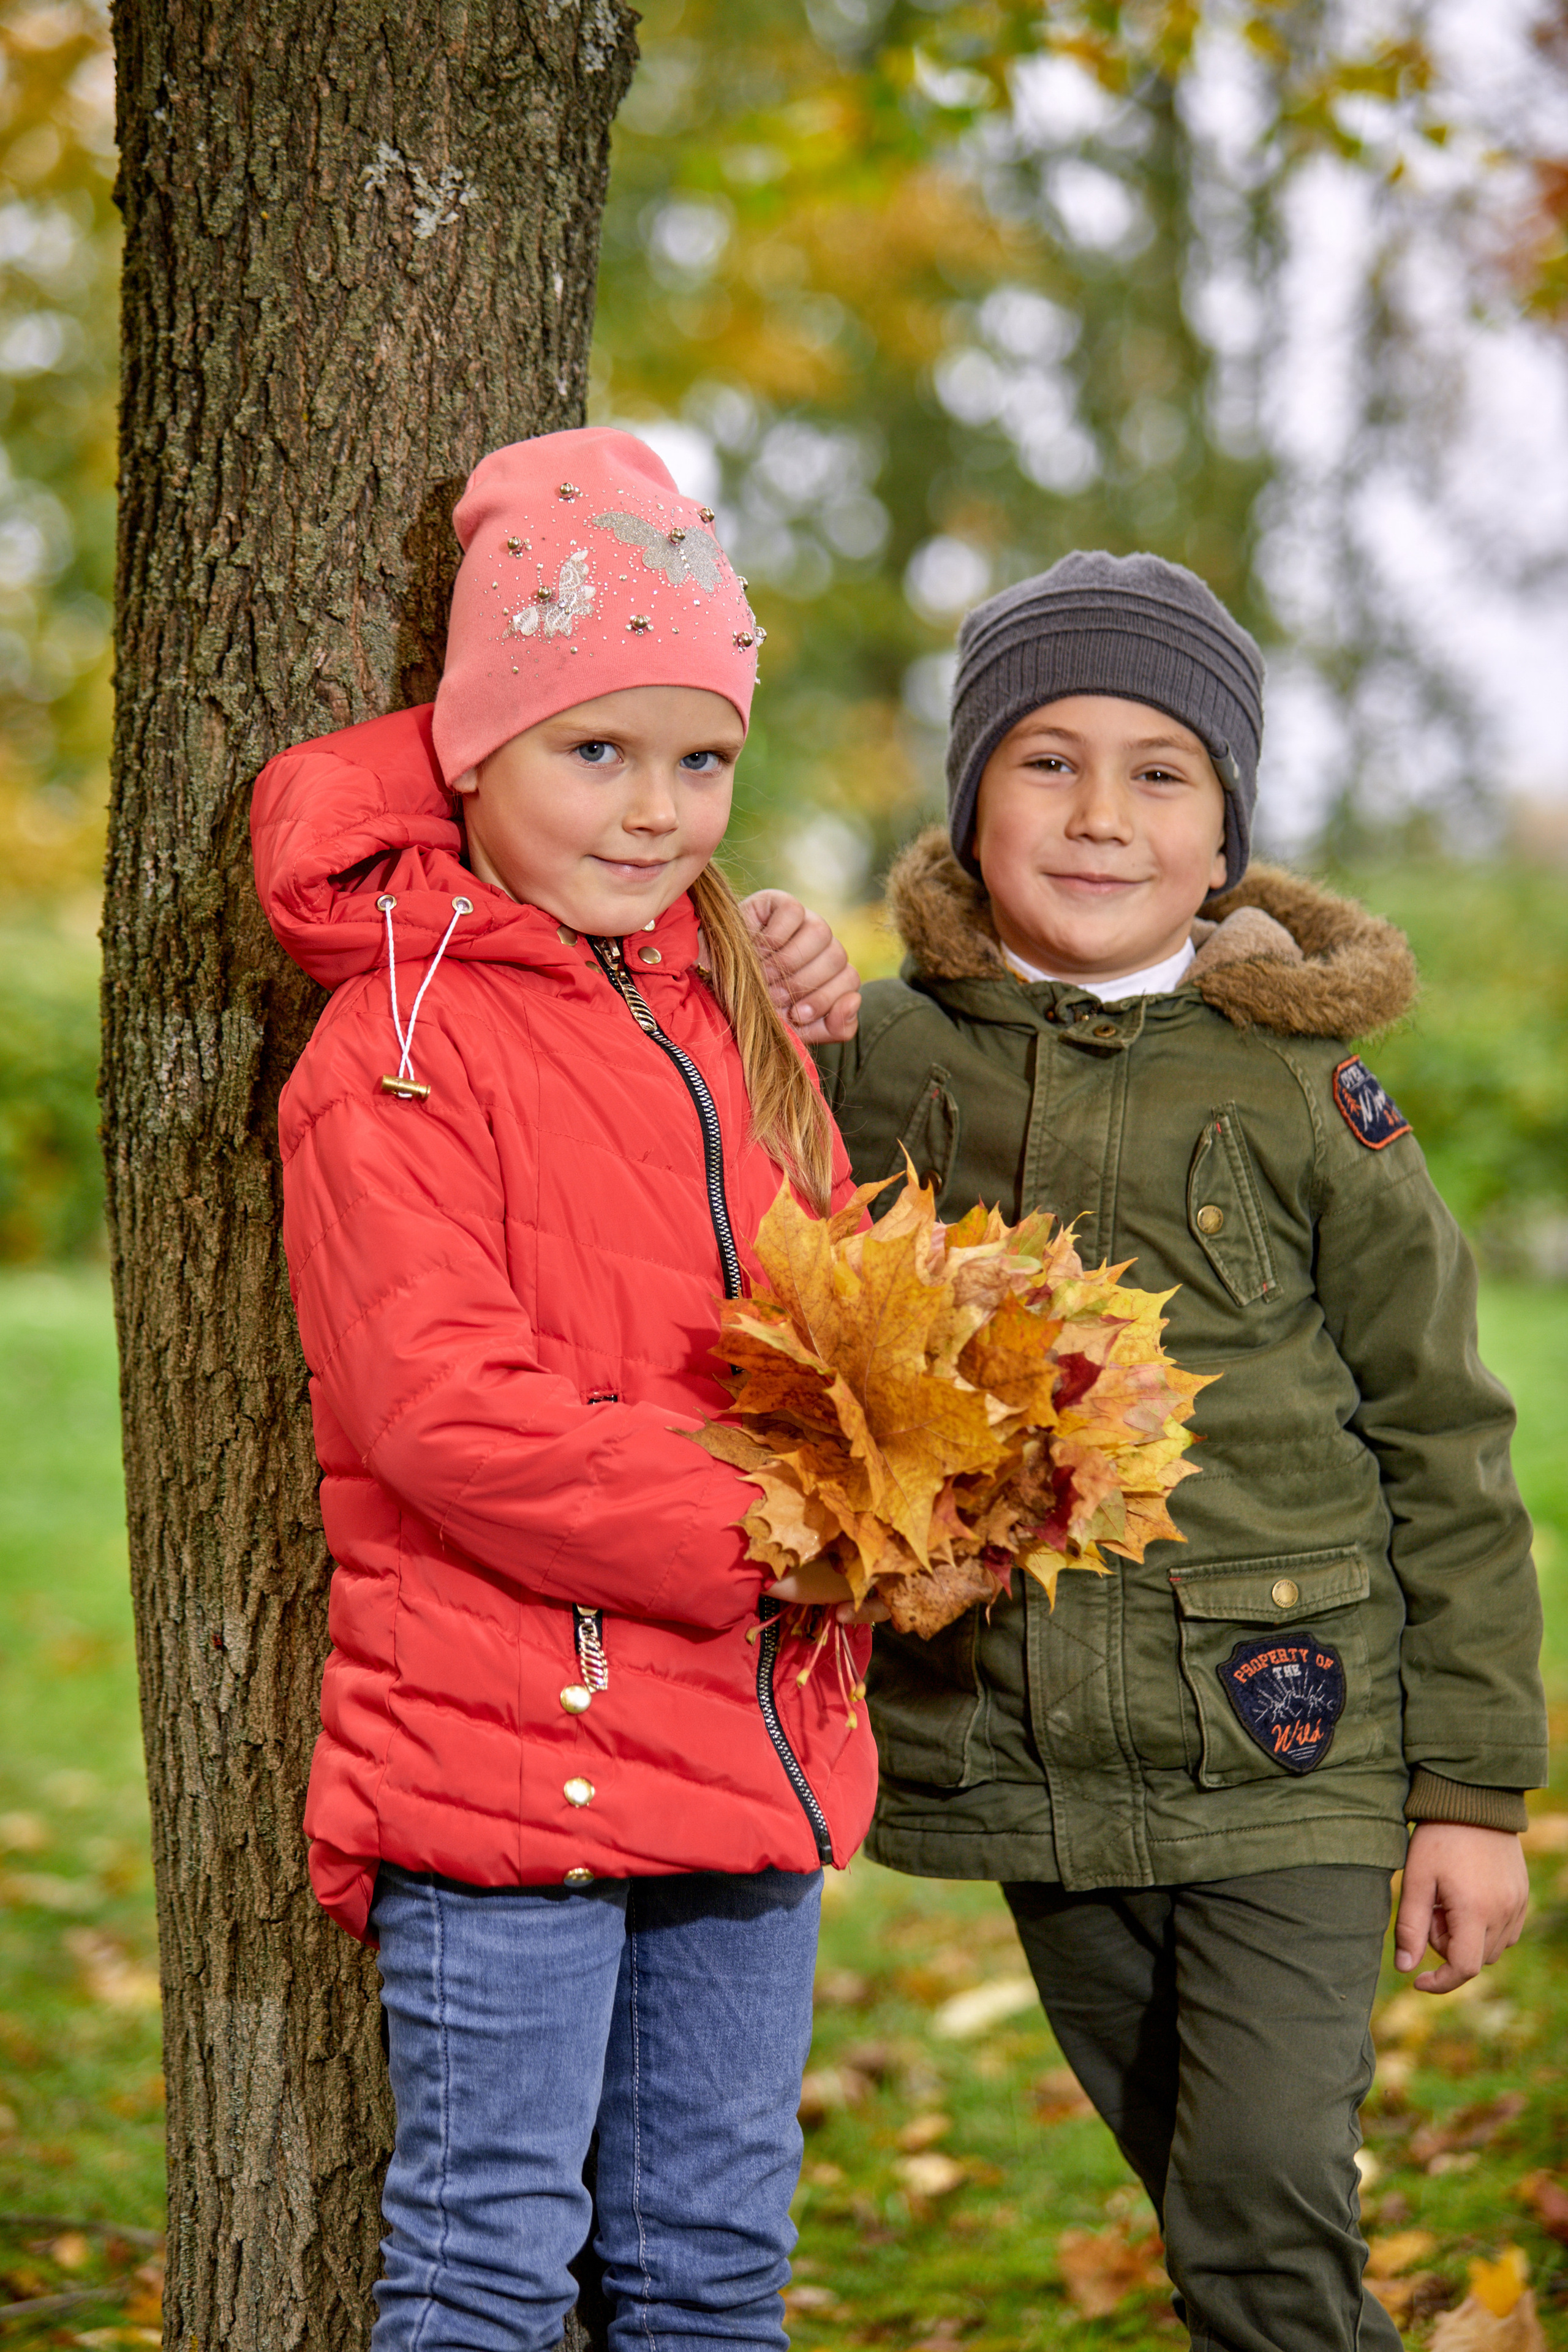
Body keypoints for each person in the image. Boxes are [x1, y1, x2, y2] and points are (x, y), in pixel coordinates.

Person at [810, 551, 1547, 2352]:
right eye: (1045, 761)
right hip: (1032, 1744)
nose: (1097, 814)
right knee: (1197, 2183)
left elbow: (1442, 1432)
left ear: (1225, 839)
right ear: (970, 796)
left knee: (1268, 2210)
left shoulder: (1302, 1089)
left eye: (1160, 773)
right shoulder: (881, 1050)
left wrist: (1469, 1790)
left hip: (1287, 1733)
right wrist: (760, 953)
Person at [250, 426, 878, 2352]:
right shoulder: (396, 1050)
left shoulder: (732, 1016)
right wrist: (783, 1529)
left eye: (702, 759)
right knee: (486, 2270)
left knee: (710, 2276)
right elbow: (448, 1416)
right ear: (471, 756)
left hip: (749, 1753)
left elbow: (846, 1331)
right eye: (593, 751)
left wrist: (903, 1494)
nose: (656, 809)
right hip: (510, 1756)